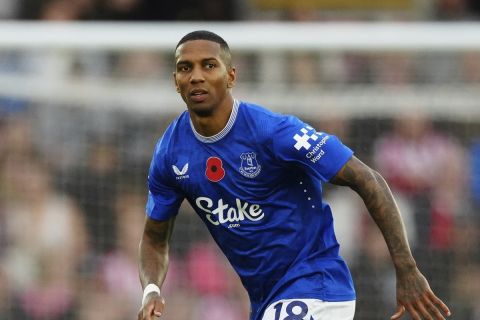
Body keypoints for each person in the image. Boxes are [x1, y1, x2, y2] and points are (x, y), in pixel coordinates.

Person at [138, 30, 451, 320]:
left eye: (209, 66)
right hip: (268, 302)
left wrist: (407, 269)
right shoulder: (170, 153)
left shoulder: (274, 133)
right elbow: (154, 237)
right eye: (185, 68)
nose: (196, 77)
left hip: (317, 285)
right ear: (175, 80)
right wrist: (151, 289)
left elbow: (368, 179)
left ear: (231, 76)